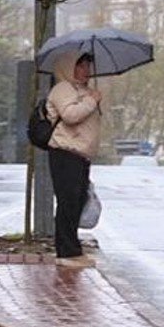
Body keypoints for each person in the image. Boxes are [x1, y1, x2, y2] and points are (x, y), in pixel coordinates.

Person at [46, 52, 102, 268]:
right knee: (68, 202)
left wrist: (91, 97)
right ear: (69, 67)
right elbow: (70, 115)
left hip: (80, 155)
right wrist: (91, 100)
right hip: (65, 153)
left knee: (77, 201)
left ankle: (73, 248)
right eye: (81, 65)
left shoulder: (84, 91)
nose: (87, 70)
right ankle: (66, 252)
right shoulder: (62, 89)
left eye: (88, 65)